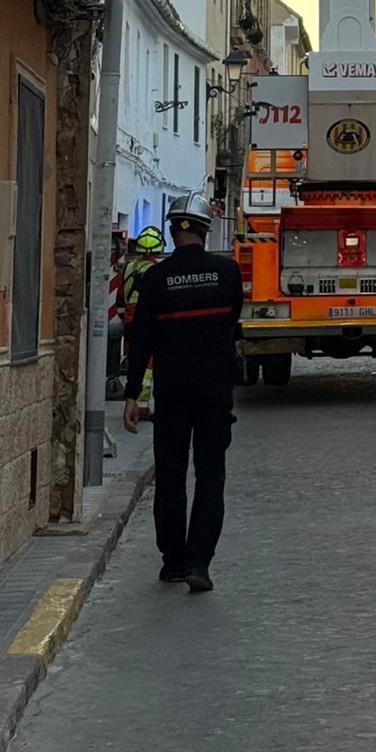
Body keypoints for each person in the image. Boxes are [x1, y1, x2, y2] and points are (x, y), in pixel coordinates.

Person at [123, 192, 244, 593]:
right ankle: (199, 565)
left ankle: (173, 561)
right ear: (206, 232)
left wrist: (131, 395)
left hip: (172, 393)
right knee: (211, 475)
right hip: (213, 392)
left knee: (171, 476)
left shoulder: (155, 279)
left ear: (173, 230)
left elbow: (139, 341)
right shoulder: (227, 274)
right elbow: (233, 324)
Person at [119, 226, 166, 412]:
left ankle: (136, 401)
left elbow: (121, 297)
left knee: (134, 358)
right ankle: (141, 405)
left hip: (130, 320)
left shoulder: (128, 268)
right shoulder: (158, 270)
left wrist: (124, 318)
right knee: (148, 365)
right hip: (150, 321)